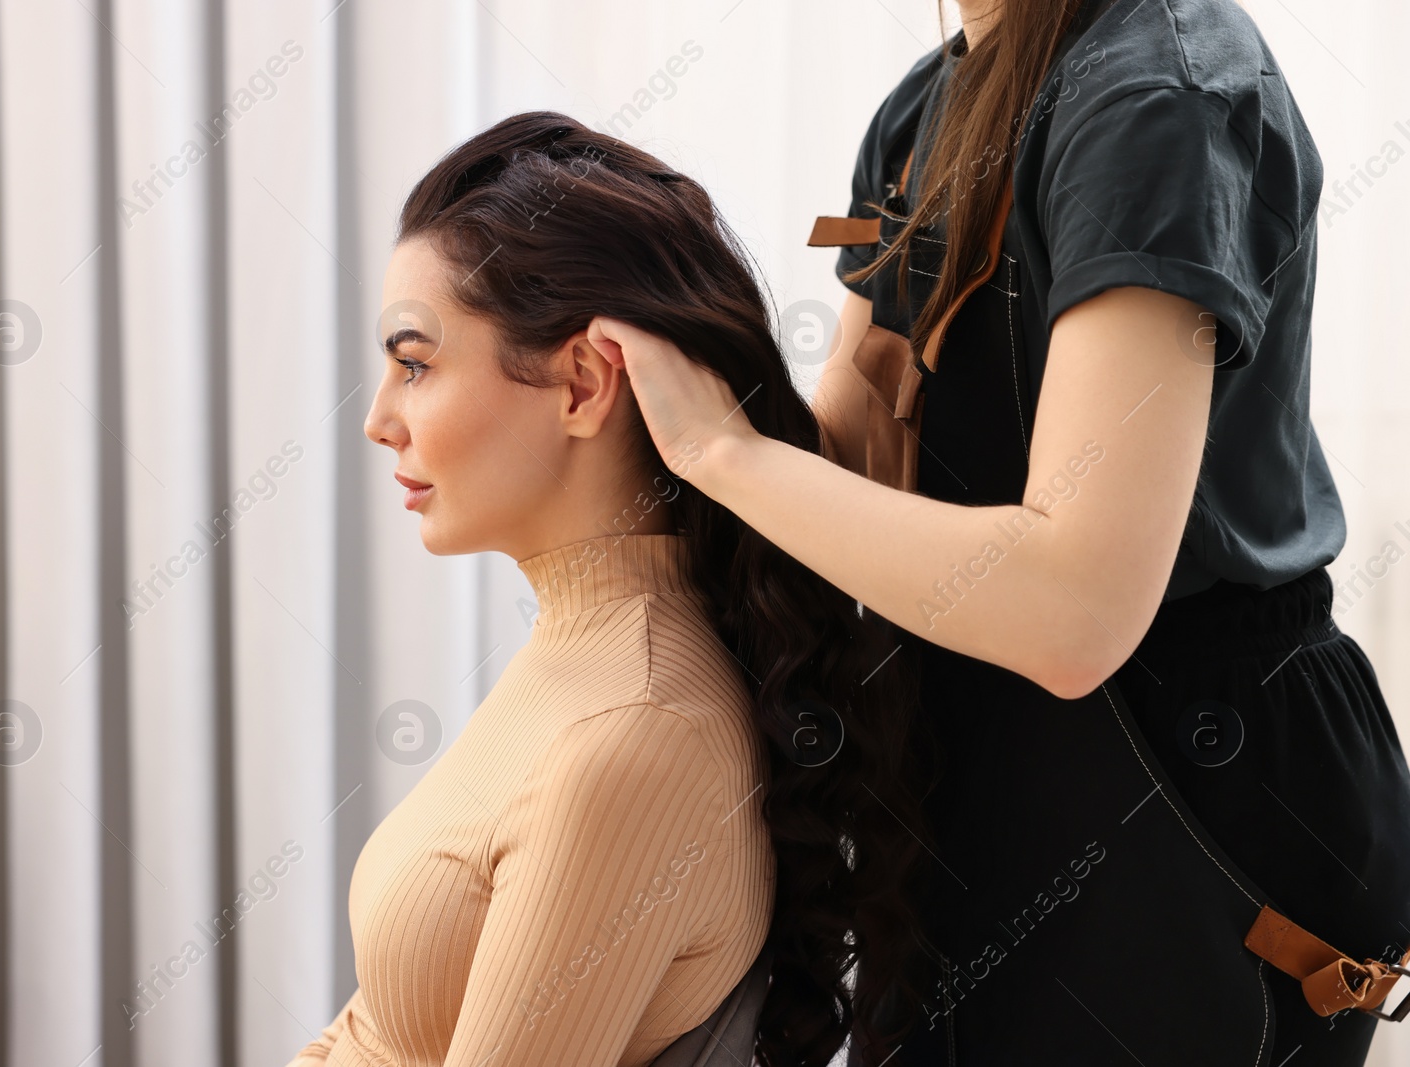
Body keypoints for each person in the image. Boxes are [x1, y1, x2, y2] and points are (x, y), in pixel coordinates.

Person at [585, 0, 1410, 1063]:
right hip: (977, 737)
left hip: (1179, 776)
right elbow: (852, 456)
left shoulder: (1155, 100)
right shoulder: (926, 105)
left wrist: (725, 454)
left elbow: (1074, 607)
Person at [286, 112, 930, 1067]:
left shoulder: (633, 733)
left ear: (583, 381)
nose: (379, 419)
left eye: (414, 363)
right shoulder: (587, 656)